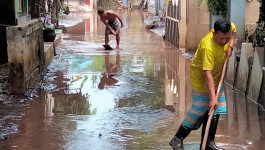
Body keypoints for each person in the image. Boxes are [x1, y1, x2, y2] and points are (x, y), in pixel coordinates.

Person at [169, 19, 236, 150]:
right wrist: (212, 98)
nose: (224, 41)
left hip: (217, 76)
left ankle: (208, 143)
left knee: (215, 109)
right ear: (214, 33)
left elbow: (233, 32)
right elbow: (207, 74)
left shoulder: (230, 29)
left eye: (226, 38)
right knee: (199, 109)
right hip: (202, 77)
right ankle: (177, 138)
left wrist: (231, 46)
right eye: (222, 38)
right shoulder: (208, 46)